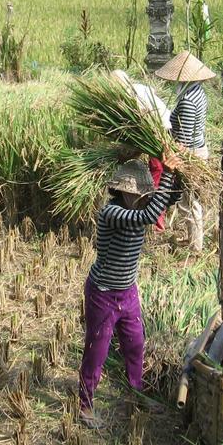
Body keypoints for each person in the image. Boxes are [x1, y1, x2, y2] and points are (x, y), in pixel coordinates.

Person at [78, 153, 183, 429]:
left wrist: (179, 175)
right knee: (96, 352)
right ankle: (85, 406)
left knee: (136, 346)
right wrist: (168, 173)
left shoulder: (140, 207)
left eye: (143, 192)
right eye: (135, 193)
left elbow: (169, 200)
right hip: (103, 294)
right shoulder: (112, 213)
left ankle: (137, 394)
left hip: (128, 292)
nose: (140, 197)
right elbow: (149, 215)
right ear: (122, 191)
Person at [154, 51, 216, 252]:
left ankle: (195, 246)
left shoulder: (188, 99)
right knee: (191, 199)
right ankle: (193, 241)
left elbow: (185, 138)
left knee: (189, 200)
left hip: (190, 154)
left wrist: (174, 156)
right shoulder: (198, 92)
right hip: (197, 150)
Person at [112, 68, 171, 231]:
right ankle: (151, 212)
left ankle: (156, 218)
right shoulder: (134, 90)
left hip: (161, 129)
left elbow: (143, 124)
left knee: (157, 169)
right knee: (156, 170)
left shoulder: (135, 95)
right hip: (155, 129)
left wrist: (132, 150)